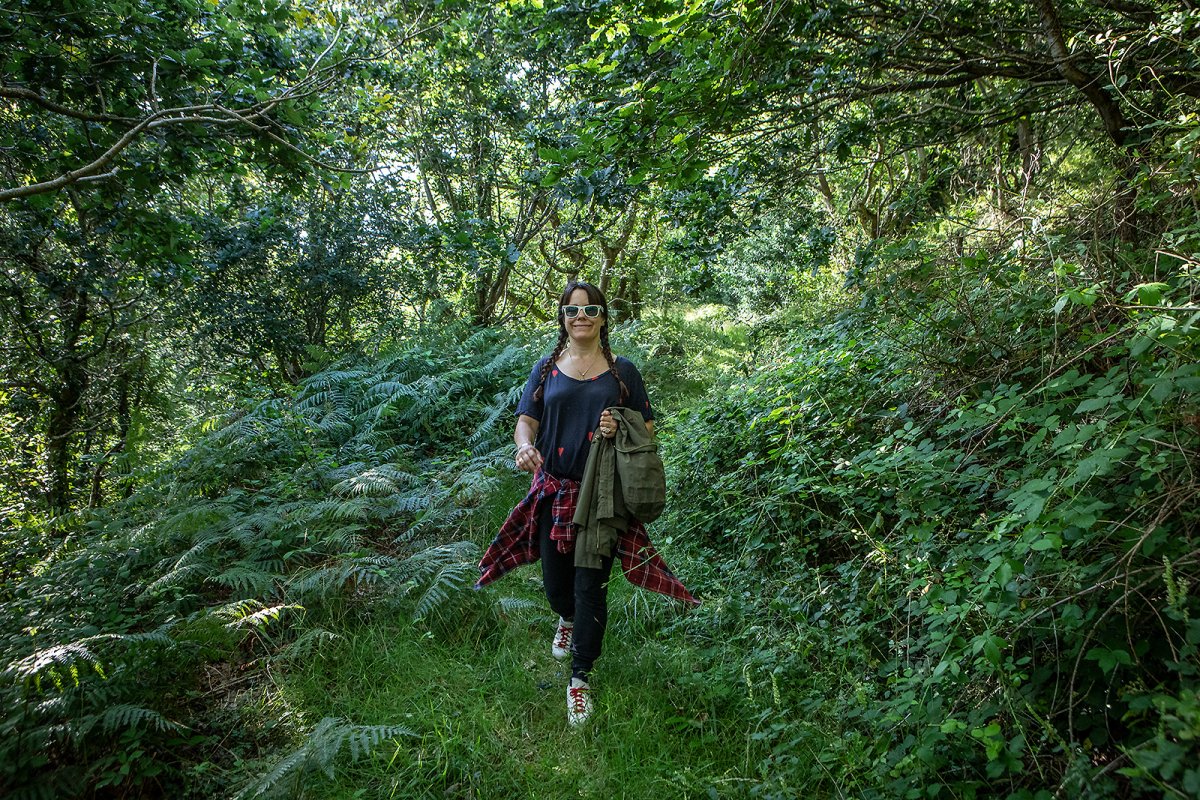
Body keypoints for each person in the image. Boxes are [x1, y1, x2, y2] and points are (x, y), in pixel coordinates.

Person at [476, 281, 697, 726]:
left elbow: (646, 430)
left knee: (590, 586)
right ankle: (566, 618)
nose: (582, 317)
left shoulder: (622, 371)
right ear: (562, 317)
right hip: (552, 491)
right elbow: (525, 421)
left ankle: (580, 680)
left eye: (591, 309)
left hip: (602, 495)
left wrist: (620, 425)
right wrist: (524, 447)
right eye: (573, 310)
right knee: (556, 586)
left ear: (603, 317)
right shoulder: (545, 369)